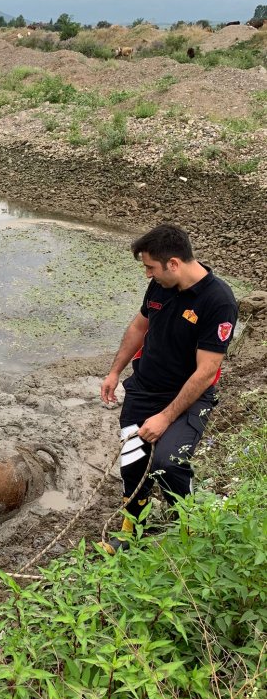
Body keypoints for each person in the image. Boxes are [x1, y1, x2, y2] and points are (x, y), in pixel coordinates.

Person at [101, 224, 238, 551]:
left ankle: (188, 530)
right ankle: (130, 537)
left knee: (168, 463)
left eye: (151, 267)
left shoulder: (218, 302)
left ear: (173, 263)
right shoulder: (160, 287)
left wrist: (165, 417)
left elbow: (206, 372)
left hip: (188, 400)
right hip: (143, 391)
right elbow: (138, 326)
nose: (148, 274)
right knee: (133, 466)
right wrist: (114, 371)